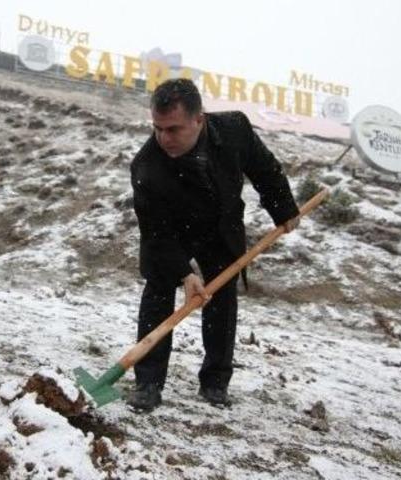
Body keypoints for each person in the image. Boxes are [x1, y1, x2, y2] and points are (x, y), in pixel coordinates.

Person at [127, 78, 300, 411]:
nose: (164, 138)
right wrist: (184, 274)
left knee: (222, 297)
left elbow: (265, 169)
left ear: (199, 119)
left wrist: (284, 208)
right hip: (170, 231)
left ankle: (215, 382)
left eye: (173, 129)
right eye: (158, 128)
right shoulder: (147, 166)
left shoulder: (234, 128)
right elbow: (156, 232)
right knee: (158, 289)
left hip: (219, 224)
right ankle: (148, 382)